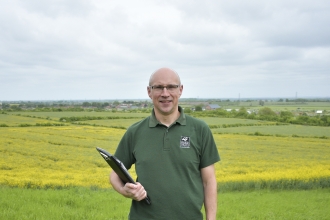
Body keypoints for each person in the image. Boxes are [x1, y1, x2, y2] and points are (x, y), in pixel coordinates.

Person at [109, 67, 220, 220]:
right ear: (149, 92)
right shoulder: (134, 132)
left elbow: (209, 182)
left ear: (180, 90)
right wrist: (124, 190)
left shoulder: (200, 130)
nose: (165, 93)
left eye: (171, 87)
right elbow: (115, 174)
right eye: (159, 87)